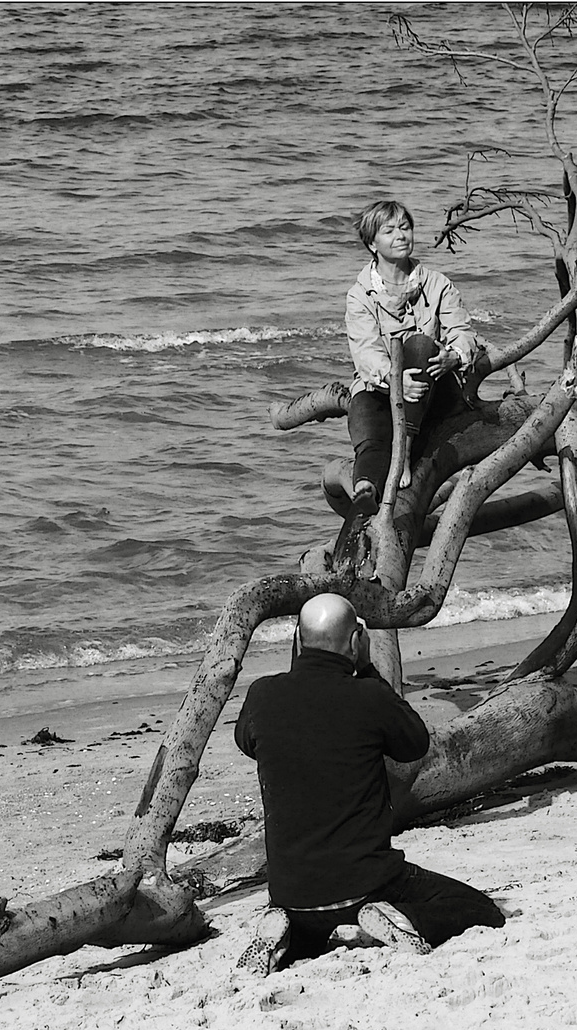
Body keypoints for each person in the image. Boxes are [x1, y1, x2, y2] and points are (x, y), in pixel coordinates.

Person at [233, 593, 506, 975]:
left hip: (292, 895)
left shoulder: (262, 695)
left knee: (309, 935)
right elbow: (415, 743)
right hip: (367, 885)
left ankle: (282, 932)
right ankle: (396, 919)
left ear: (297, 641)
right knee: (479, 909)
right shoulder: (369, 696)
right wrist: (370, 670)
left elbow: (249, 742)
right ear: (357, 642)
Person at [344, 199, 483, 516]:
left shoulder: (436, 284)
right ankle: (365, 489)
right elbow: (365, 351)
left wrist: (455, 356)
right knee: (365, 415)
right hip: (382, 387)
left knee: (421, 344)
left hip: (432, 386)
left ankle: (403, 452)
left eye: (405, 228)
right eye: (389, 230)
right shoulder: (359, 294)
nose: (401, 235)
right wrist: (395, 381)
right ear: (372, 244)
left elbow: (462, 331)